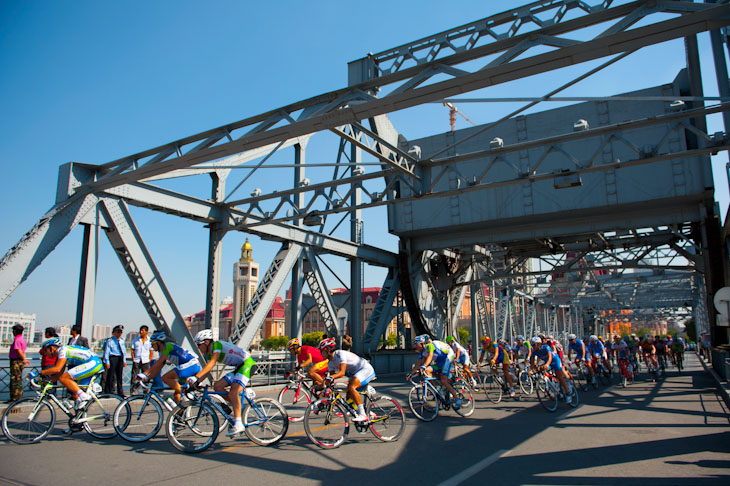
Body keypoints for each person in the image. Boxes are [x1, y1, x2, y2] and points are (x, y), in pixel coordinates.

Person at [187, 330, 256, 436]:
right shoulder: (209, 354)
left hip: (247, 364)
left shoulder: (216, 345)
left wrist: (196, 377)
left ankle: (238, 423)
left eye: (199, 345)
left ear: (206, 342)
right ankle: (237, 407)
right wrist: (196, 383)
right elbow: (208, 371)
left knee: (233, 393)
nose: (198, 348)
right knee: (217, 386)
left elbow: (212, 363)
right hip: (239, 367)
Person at [28, 338, 102, 410]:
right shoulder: (62, 355)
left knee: (65, 379)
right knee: (76, 395)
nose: (44, 353)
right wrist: (46, 380)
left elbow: (57, 369)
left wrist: (38, 373)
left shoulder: (62, 351)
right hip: (92, 364)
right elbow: (58, 375)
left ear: (51, 348)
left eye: (45, 350)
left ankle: (85, 397)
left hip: (93, 363)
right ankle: (78, 420)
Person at [319, 337, 377, 421]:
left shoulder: (340, 354)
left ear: (328, 350)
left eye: (322, 351)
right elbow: (332, 379)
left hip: (365, 369)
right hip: (356, 373)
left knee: (351, 387)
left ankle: (363, 415)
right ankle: (370, 413)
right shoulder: (330, 363)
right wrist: (323, 387)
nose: (320, 353)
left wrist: (330, 378)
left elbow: (342, 373)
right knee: (349, 398)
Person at [138, 332, 201, 404]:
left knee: (165, 377)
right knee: (176, 395)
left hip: (191, 365)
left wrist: (145, 373)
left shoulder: (168, 346)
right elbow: (157, 370)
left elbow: (158, 362)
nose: (152, 347)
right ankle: (179, 413)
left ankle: (185, 393)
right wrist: (147, 378)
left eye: (153, 344)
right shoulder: (164, 353)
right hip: (189, 366)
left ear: (158, 343)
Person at [407, 334, 461, 410]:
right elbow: (418, 364)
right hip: (439, 361)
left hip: (448, 357)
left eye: (416, 344)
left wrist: (423, 366)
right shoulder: (422, 352)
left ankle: (457, 399)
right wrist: (411, 373)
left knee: (443, 381)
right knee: (428, 370)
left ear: (422, 344)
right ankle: (437, 389)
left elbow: (430, 357)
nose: (415, 346)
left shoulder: (430, 346)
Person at [530, 336, 572, 403]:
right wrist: (531, 370)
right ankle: (552, 386)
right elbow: (532, 362)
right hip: (548, 362)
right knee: (542, 369)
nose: (533, 346)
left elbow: (550, 357)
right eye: (531, 345)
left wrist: (546, 364)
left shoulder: (545, 347)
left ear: (539, 344)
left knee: (560, 377)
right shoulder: (534, 351)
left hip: (555, 360)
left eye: (534, 345)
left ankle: (568, 394)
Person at [103, 325, 127, 396]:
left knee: (119, 376)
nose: (119, 334)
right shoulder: (110, 341)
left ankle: (120, 392)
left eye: (120, 332)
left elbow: (124, 351)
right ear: (114, 332)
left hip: (120, 358)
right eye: (118, 332)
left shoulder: (122, 341)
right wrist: (107, 362)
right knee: (110, 376)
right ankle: (108, 391)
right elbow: (106, 352)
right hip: (113, 358)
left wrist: (124, 360)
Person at [9, 324, 29, 401]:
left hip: (16, 361)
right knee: (18, 379)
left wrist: (23, 359)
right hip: (18, 361)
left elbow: (19, 350)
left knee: (15, 379)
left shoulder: (17, 339)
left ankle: (15, 397)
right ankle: (17, 396)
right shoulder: (22, 339)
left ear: (15, 331)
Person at [131, 325, 153, 391]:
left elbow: (151, 351)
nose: (141, 332)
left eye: (143, 330)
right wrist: (133, 358)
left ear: (146, 332)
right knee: (134, 376)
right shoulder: (136, 340)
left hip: (145, 360)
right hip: (137, 360)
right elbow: (132, 350)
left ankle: (145, 390)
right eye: (140, 330)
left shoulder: (149, 340)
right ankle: (133, 390)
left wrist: (149, 359)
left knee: (145, 376)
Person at [41, 327, 59, 395]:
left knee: (47, 379)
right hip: (54, 363)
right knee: (53, 379)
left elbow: (42, 351)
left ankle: (49, 395)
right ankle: (52, 394)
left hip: (48, 363)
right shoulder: (56, 340)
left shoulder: (49, 342)